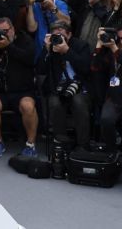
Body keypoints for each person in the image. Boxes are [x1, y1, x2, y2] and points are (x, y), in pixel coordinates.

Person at [0, 18, 39, 158]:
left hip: (23, 90)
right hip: (0, 91)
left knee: (28, 106)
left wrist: (8, 46)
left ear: (13, 29)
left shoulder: (25, 40)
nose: (2, 35)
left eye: (5, 31)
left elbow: (30, 59)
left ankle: (31, 144)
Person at [41, 21, 92, 149]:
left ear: (69, 35)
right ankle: (61, 142)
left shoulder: (81, 45)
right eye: (55, 36)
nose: (58, 39)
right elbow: (40, 70)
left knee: (79, 102)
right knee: (55, 103)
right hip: (58, 86)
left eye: (61, 36)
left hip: (79, 86)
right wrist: (47, 51)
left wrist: (67, 51)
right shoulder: (51, 47)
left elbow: (85, 68)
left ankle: (83, 144)